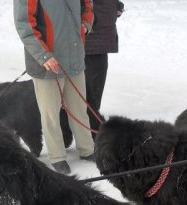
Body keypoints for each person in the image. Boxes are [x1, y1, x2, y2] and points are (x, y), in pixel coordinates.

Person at [14, 0, 96, 174]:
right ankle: (57, 157)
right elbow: (25, 25)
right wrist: (44, 56)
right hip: (47, 64)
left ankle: (87, 149)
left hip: (74, 59)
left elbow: (87, 5)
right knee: (51, 114)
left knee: (79, 109)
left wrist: (85, 25)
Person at [84, 0, 125, 137]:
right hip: (91, 38)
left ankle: (90, 123)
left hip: (97, 35)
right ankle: (91, 127)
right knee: (90, 87)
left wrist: (116, 6)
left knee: (92, 86)